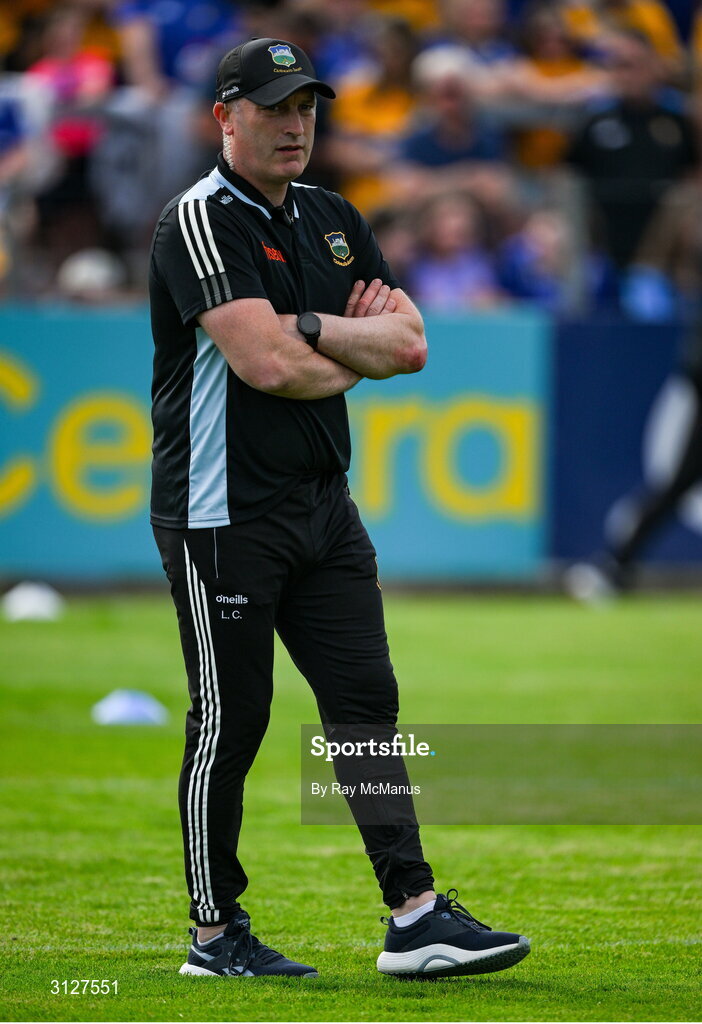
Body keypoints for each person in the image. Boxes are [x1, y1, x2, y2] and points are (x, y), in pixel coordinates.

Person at [148, 35, 530, 980]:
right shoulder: (199, 222)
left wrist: (317, 326)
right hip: (221, 510)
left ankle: (415, 915)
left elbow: (407, 346)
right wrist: (339, 346)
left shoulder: (330, 213)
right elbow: (262, 364)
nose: (295, 123)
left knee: (366, 708)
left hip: (324, 504)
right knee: (232, 721)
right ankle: (212, 932)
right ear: (224, 119)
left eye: (306, 105)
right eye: (274, 107)